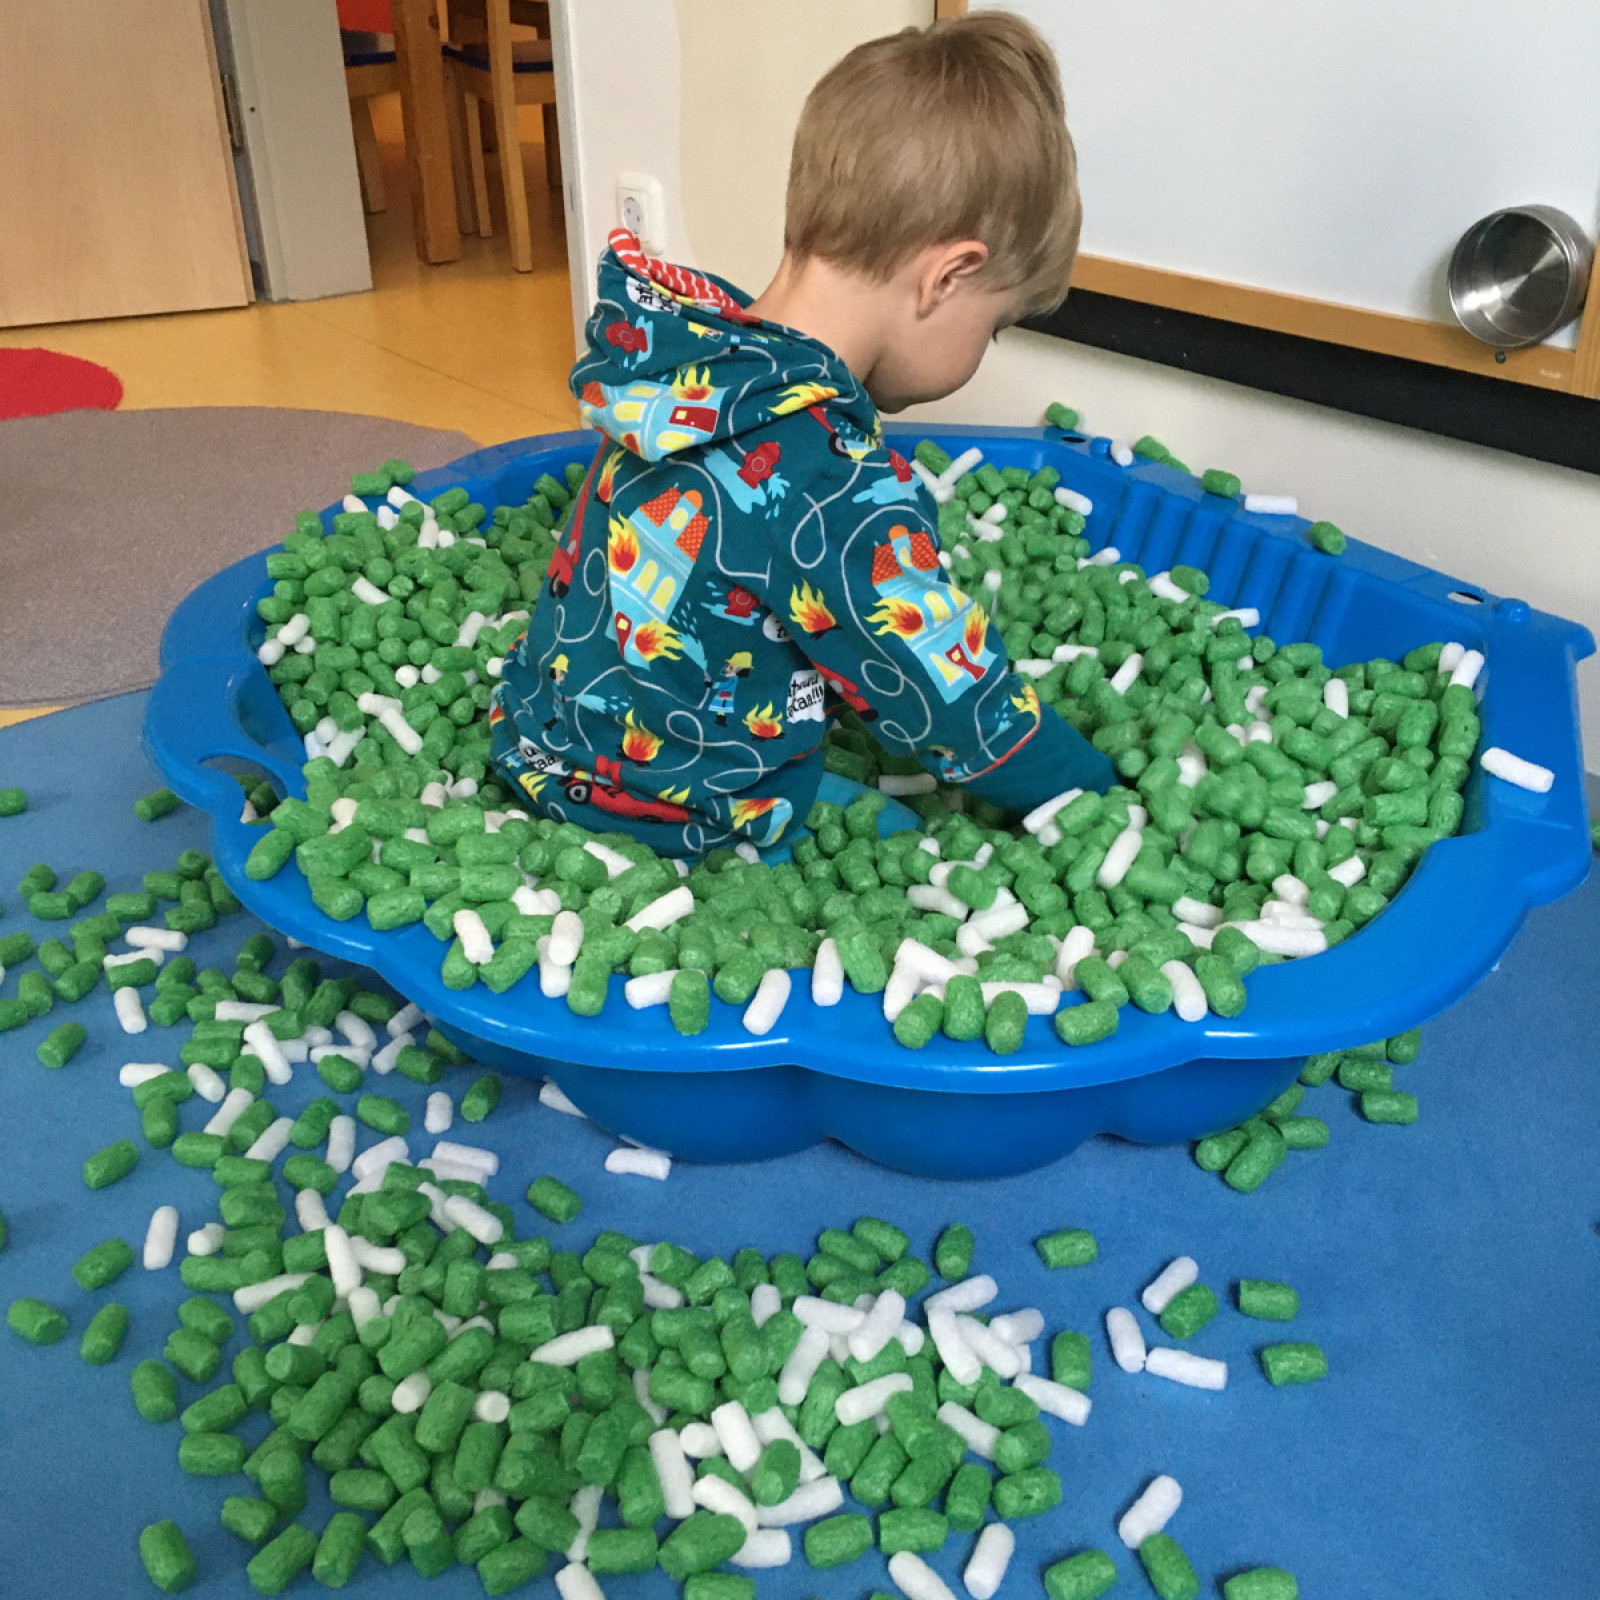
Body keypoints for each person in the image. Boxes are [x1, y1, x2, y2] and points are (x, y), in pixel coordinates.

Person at [490, 9, 1113, 855]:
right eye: (994, 325)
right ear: (947, 277)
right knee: (911, 839)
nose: (984, 349)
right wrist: (1093, 786)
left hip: (535, 738)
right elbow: (956, 702)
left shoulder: (694, 362)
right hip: (665, 811)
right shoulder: (827, 477)